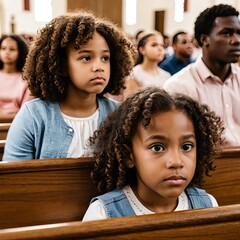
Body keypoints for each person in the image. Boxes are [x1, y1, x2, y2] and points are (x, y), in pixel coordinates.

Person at [2, 11, 136, 161]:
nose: (99, 67)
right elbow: (15, 180)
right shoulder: (33, 116)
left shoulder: (119, 115)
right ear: (61, 65)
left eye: (105, 58)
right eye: (86, 58)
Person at [82, 87, 224, 221]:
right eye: (157, 148)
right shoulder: (103, 214)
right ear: (128, 156)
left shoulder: (208, 204)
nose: (176, 161)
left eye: (186, 146)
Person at [164, 4, 240, 146]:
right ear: (204, 39)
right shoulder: (179, 87)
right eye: (227, 33)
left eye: (238, 33)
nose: (236, 40)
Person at [124, 32, 170, 99]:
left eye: (162, 45)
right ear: (142, 50)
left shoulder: (166, 75)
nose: (160, 49)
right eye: (154, 45)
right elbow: (131, 103)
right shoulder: (134, 74)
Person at [0, 34, 33, 115]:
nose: (7, 52)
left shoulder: (26, 79)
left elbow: (26, 111)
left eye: (12, 49)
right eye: (3, 48)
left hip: (16, 122)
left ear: (20, 51)